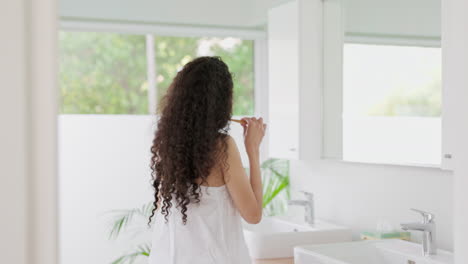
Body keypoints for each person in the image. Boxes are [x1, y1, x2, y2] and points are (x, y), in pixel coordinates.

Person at [148, 56, 266, 264]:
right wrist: (253, 150)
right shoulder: (222, 147)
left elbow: (160, 207)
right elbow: (253, 215)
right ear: (220, 102)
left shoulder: (168, 145)